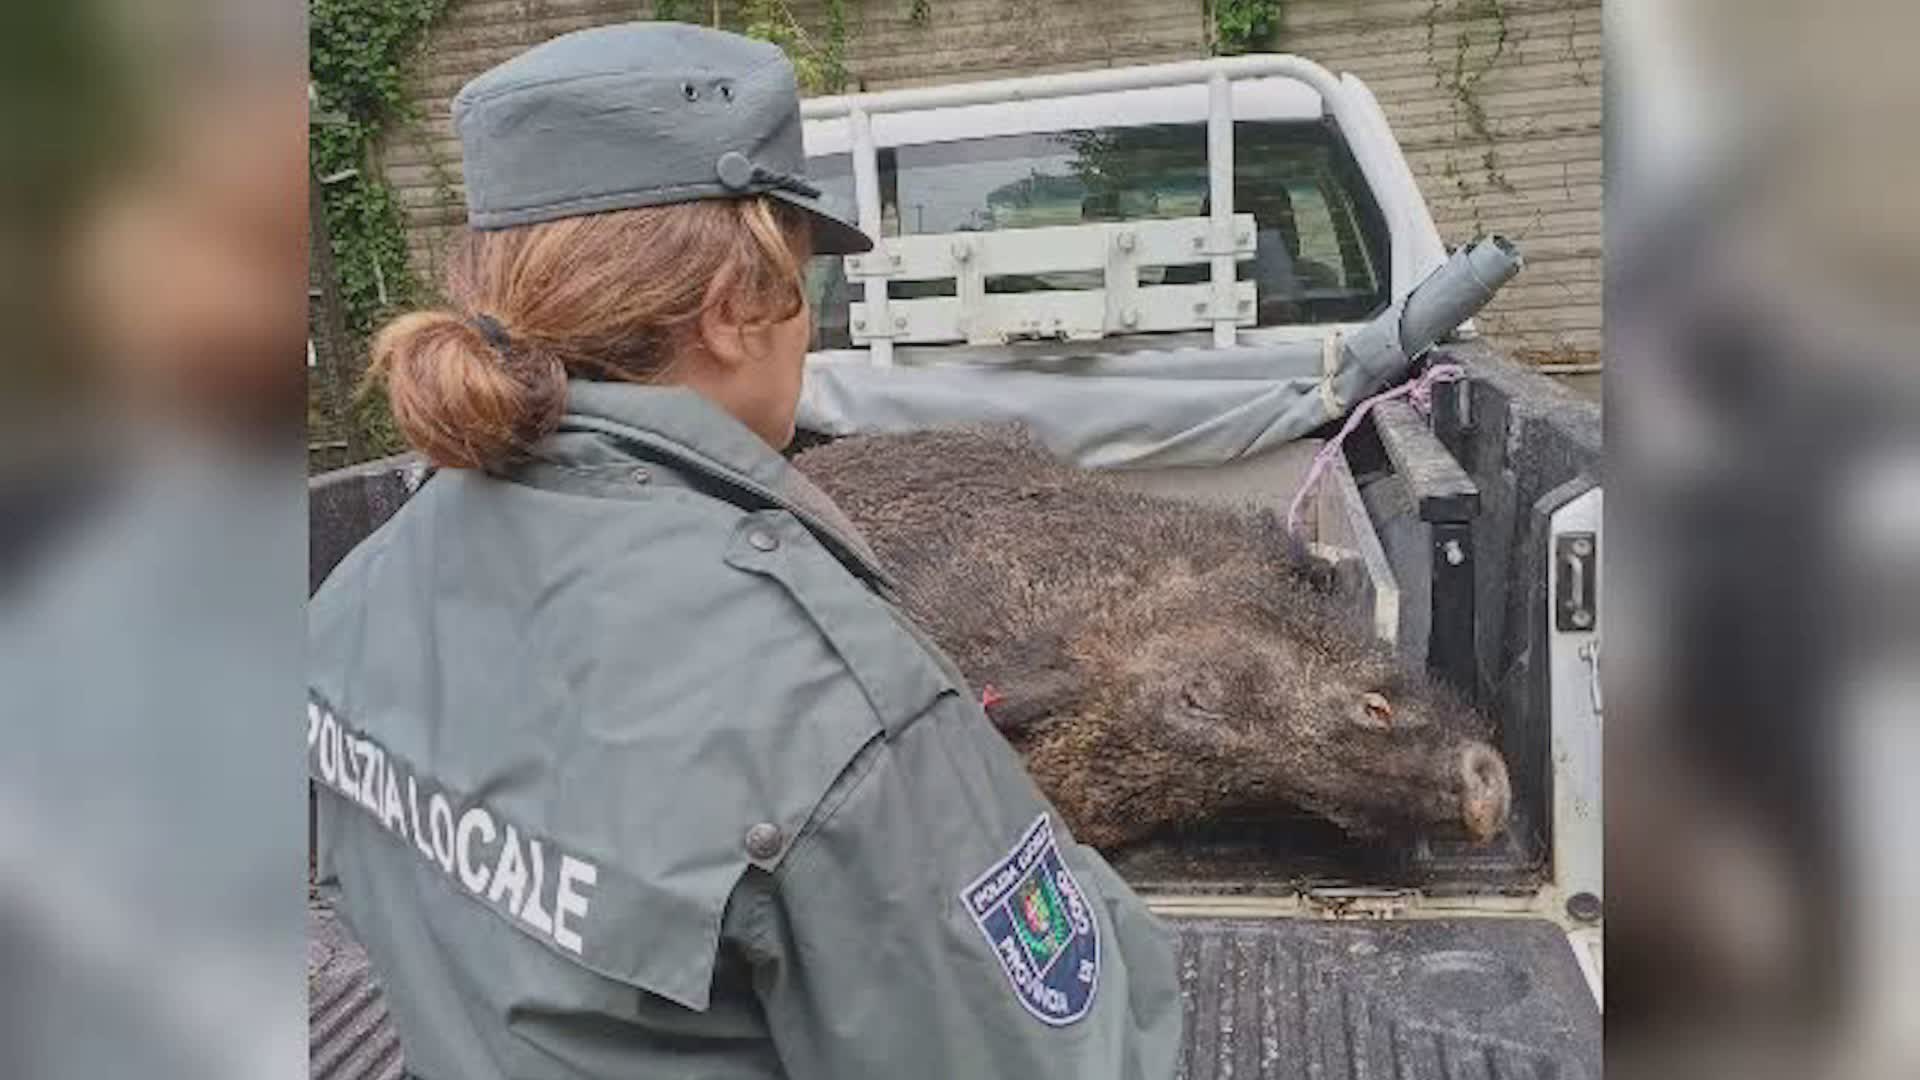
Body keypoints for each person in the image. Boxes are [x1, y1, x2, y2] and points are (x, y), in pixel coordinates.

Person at [308, 22, 1183, 1079]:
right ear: (733, 310)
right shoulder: (830, 705)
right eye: (808, 288)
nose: (811, 330)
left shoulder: (351, 597)